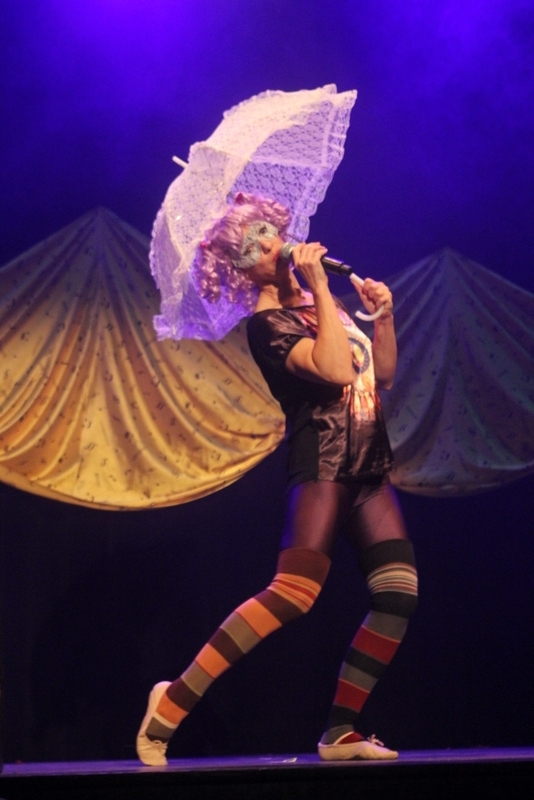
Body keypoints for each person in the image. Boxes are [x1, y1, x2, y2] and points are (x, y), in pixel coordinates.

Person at [136, 193, 418, 766]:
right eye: (253, 245)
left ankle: (340, 733)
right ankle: (172, 701)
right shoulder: (267, 326)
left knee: (397, 594)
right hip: (324, 465)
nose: (270, 245)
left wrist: (383, 316)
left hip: (370, 464)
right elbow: (335, 371)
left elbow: (379, 374)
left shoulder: (322, 304)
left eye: (269, 231)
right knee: (292, 594)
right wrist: (319, 288)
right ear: (241, 270)